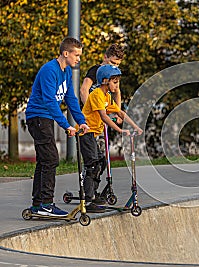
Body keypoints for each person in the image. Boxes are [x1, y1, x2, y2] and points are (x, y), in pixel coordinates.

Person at [25, 37, 90, 217]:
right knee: (51, 158)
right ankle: (46, 204)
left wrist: (81, 120)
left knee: (45, 160)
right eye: (76, 55)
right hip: (37, 116)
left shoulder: (66, 71)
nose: (78, 59)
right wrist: (66, 125)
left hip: (45, 119)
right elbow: (50, 101)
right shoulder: (49, 70)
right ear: (65, 53)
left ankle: (38, 204)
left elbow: (70, 99)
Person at [79, 64, 143, 212]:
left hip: (93, 133)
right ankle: (87, 200)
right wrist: (120, 130)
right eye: (115, 82)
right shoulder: (96, 95)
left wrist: (135, 126)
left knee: (101, 162)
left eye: (118, 81)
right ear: (104, 81)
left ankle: (93, 194)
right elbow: (104, 116)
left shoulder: (107, 96)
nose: (117, 85)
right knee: (92, 164)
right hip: (85, 132)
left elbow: (120, 112)